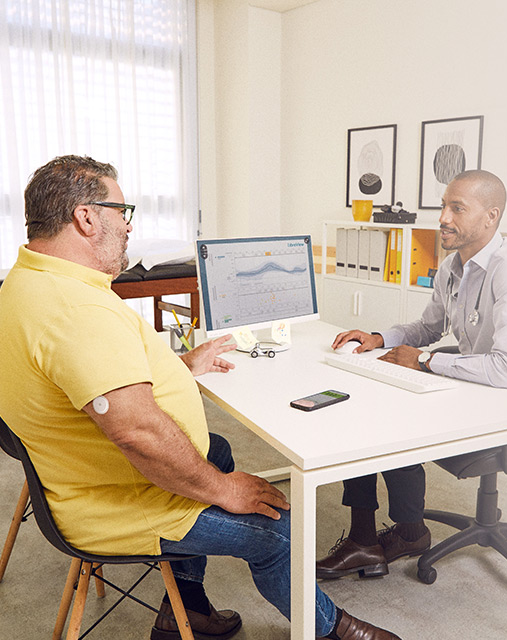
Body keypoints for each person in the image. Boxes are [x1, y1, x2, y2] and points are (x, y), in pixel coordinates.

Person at [0, 156, 401, 640]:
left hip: (78, 473)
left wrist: (179, 367)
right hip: (115, 500)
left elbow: (89, 375)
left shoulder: (28, 281)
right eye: (121, 211)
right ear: (86, 217)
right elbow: (137, 432)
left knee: (217, 449)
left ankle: (183, 610)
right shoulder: (76, 309)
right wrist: (224, 490)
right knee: (275, 525)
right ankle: (332, 630)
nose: (127, 227)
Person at [317, 169, 507, 579]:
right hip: (477, 384)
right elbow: (427, 328)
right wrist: (377, 337)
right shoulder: (452, 266)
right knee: (374, 402)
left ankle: (407, 531)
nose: (443, 217)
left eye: (457, 208)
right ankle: (366, 539)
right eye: (444, 205)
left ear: (490, 217)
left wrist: (424, 362)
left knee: (394, 416)